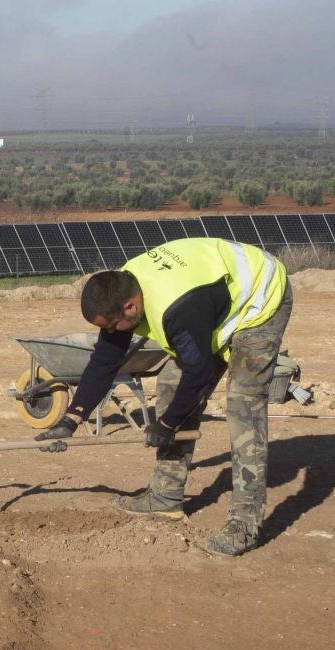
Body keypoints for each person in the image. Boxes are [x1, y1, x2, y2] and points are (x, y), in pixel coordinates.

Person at [36, 236, 292, 557]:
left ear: (130, 307)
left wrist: (168, 424)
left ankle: (245, 523)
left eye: (114, 326)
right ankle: (166, 495)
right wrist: (71, 419)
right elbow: (105, 361)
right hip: (212, 303)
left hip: (260, 298)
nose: (113, 332)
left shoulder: (177, 309)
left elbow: (197, 374)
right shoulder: (122, 290)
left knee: (243, 405)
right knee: (172, 383)